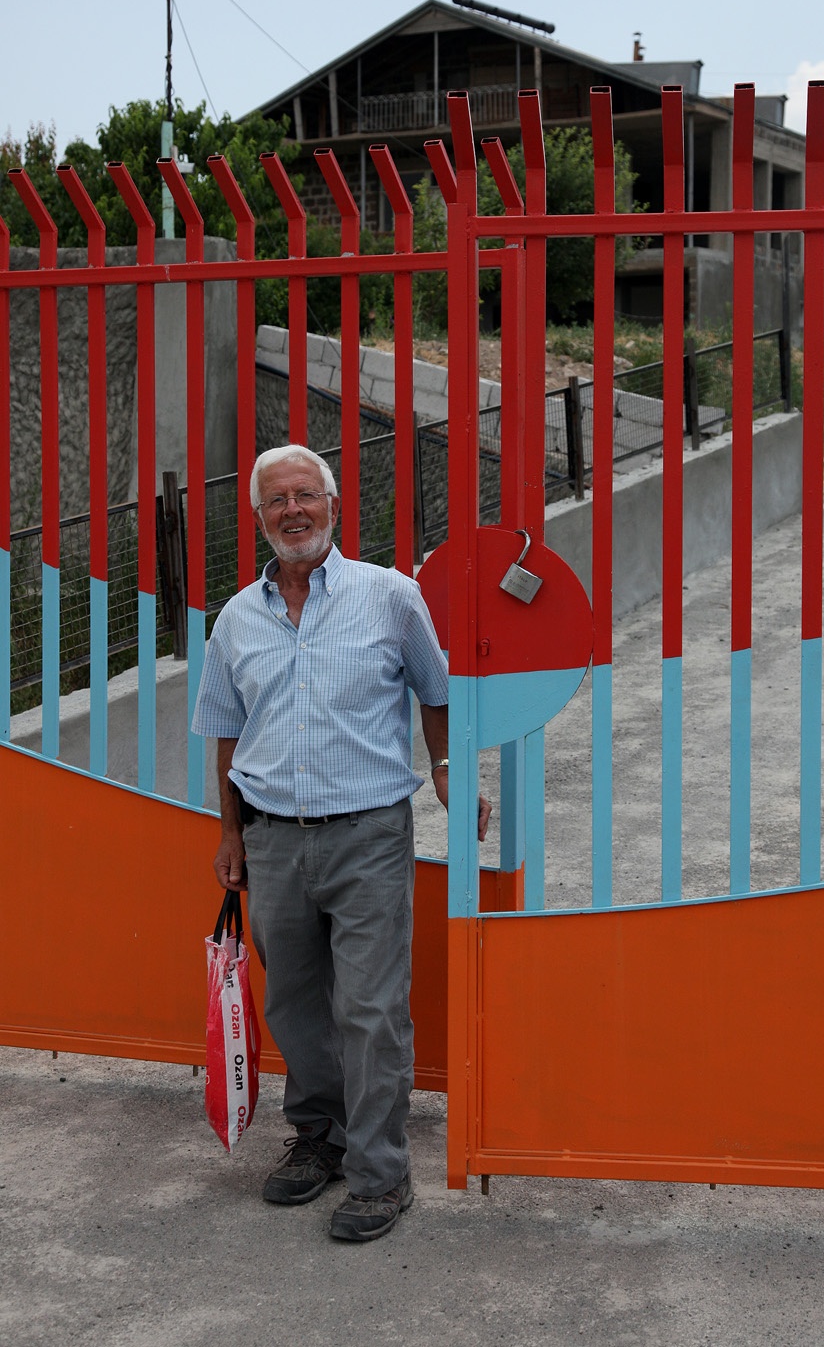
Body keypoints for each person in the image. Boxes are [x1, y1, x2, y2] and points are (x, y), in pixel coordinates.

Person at [192, 444, 490, 1242]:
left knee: (370, 1008)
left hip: (368, 834)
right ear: (258, 519)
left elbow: (437, 691)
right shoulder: (236, 618)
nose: (293, 510)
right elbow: (226, 728)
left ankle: (381, 1175)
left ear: (333, 505)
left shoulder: (390, 596)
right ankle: (318, 1137)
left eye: (305, 496)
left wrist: (449, 769)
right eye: (276, 501)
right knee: (293, 1002)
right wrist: (230, 828)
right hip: (272, 838)